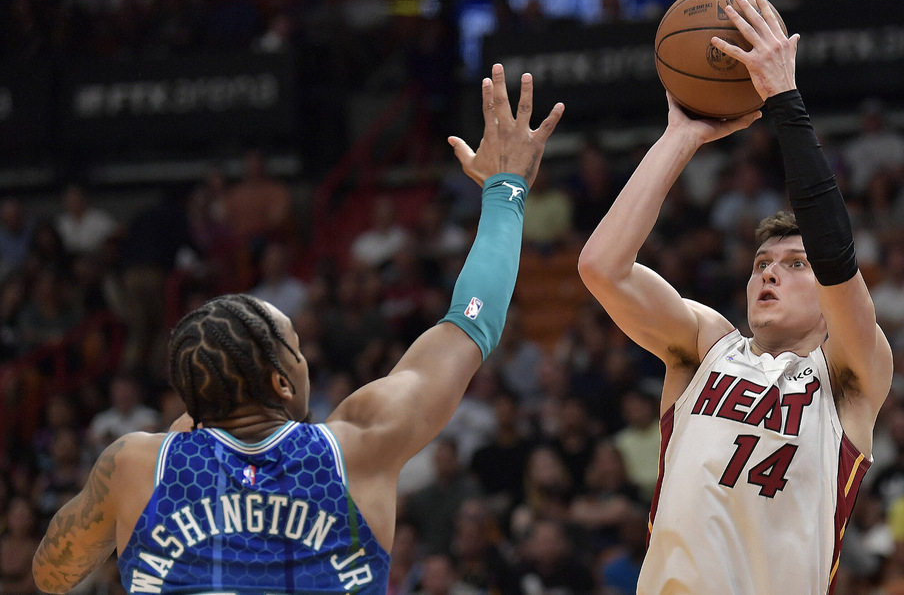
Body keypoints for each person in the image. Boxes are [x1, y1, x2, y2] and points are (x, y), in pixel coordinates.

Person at [31, 64, 564, 595]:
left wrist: (200, 413)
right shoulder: (360, 448)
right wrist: (506, 190)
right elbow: (472, 323)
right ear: (282, 383)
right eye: (296, 350)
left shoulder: (134, 465)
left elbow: (51, 574)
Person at [577, 0, 892, 594]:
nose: (769, 274)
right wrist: (681, 137)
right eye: (761, 264)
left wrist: (784, 101)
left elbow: (837, 257)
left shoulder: (851, 377)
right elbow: (602, 267)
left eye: (793, 264)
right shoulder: (708, 347)